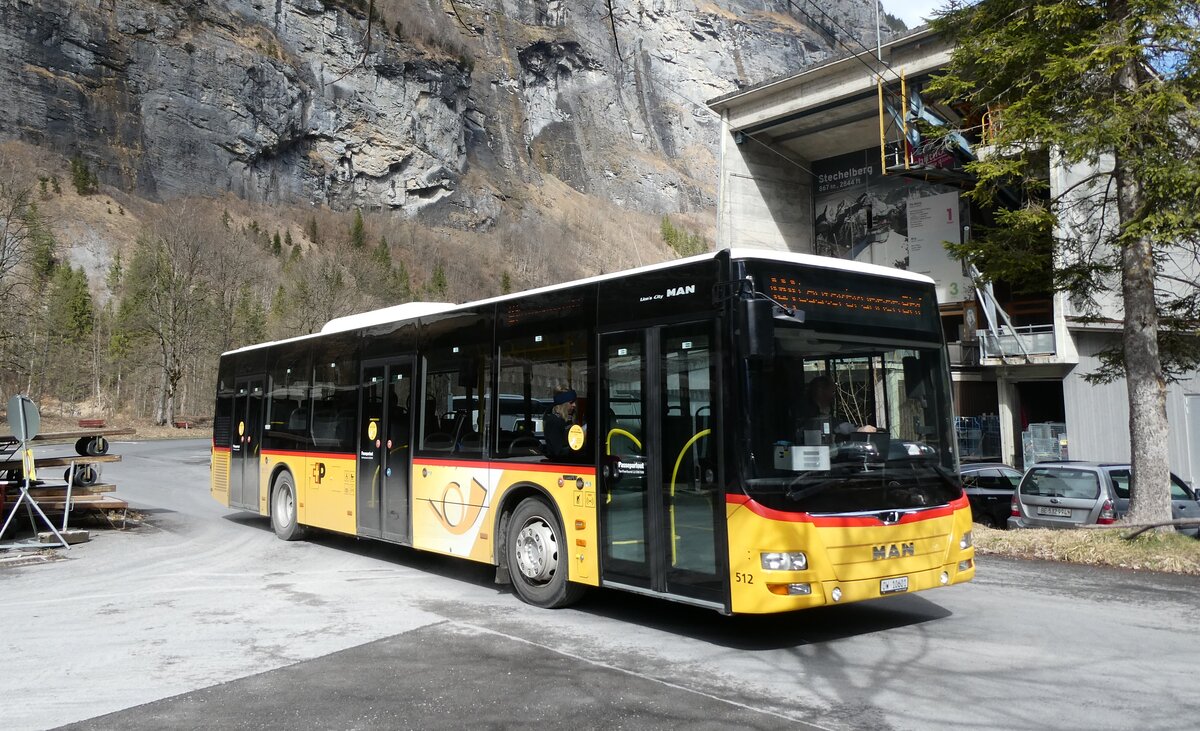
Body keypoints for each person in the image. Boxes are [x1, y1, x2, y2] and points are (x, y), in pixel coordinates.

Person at [543, 387, 578, 457]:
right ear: (563, 404)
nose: (574, 405)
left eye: (575, 402)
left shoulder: (567, 419)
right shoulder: (554, 421)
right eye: (571, 402)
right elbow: (558, 451)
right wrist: (577, 448)